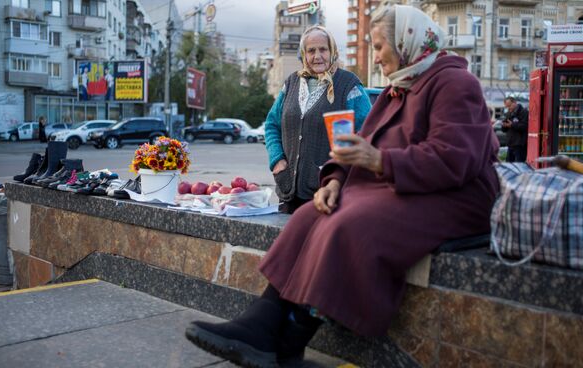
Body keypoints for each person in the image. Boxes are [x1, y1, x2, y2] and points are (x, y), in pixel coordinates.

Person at [185, 6, 499, 367]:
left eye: (380, 46)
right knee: (309, 215)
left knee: (350, 222)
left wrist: (381, 162)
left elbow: (455, 158)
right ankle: (262, 323)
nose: (376, 56)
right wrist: (334, 180)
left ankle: (289, 339)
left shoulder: (454, 83)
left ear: (406, 42)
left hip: (458, 198)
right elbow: (357, 143)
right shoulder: (400, 86)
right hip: (411, 187)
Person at [264, 25, 372, 214]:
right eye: (311, 51)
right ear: (304, 55)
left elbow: (367, 132)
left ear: (332, 51)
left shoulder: (348, 85)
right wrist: (277, 161)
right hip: (288, 191)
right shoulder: (291, 83)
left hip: (329, 194)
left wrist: (338, 173)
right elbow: (272, 124)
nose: (317, 56)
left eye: (323, 49)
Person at [501, 96, 529, 162]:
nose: (508, 108)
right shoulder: (508, 113)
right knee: (509, 166)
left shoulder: (524, 112)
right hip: (510, 144)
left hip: (520, 145)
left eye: (509, 106)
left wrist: (512, 125)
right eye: (507, 107)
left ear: (515, 103)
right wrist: (504, 125)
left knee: (519, 166)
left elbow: (525, 126)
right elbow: (504, 130)